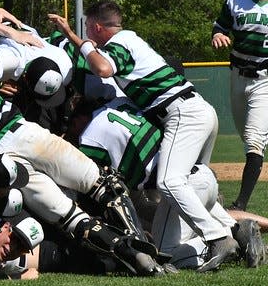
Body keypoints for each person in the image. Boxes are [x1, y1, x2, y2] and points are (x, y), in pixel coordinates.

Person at [0, 34, 164, 276]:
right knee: (104, 184)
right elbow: (12, 61)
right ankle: (140, 245)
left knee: (70, 218)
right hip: (23, 133)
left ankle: (129, 256)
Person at [50, 0, 239, 272]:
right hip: (197, 109)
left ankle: (218, 238)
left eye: (90, 29)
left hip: (182, 113)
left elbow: (102, 69)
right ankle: (234, 229)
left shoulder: (121, 43)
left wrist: (79, 42)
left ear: (97, 26)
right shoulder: (131, 39)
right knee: (187, 181)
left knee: (169, 181)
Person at [66, 95, 265, 269]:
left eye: (72, 124)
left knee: (162, 252)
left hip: (181, 186)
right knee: (174, 212)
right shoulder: (120, 103)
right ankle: (239, 231)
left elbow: (97, 183)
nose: (73, 132)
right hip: (199, 175)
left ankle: (226, 240)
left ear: (81, 117)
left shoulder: (88, 139)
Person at [212, 0, 268, 212]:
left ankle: (240, 205)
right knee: (245, 136)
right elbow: (220, 26)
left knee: (254, 140)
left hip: (264, 79)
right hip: (237, 77)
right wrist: (217, 36)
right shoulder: (235, 0)